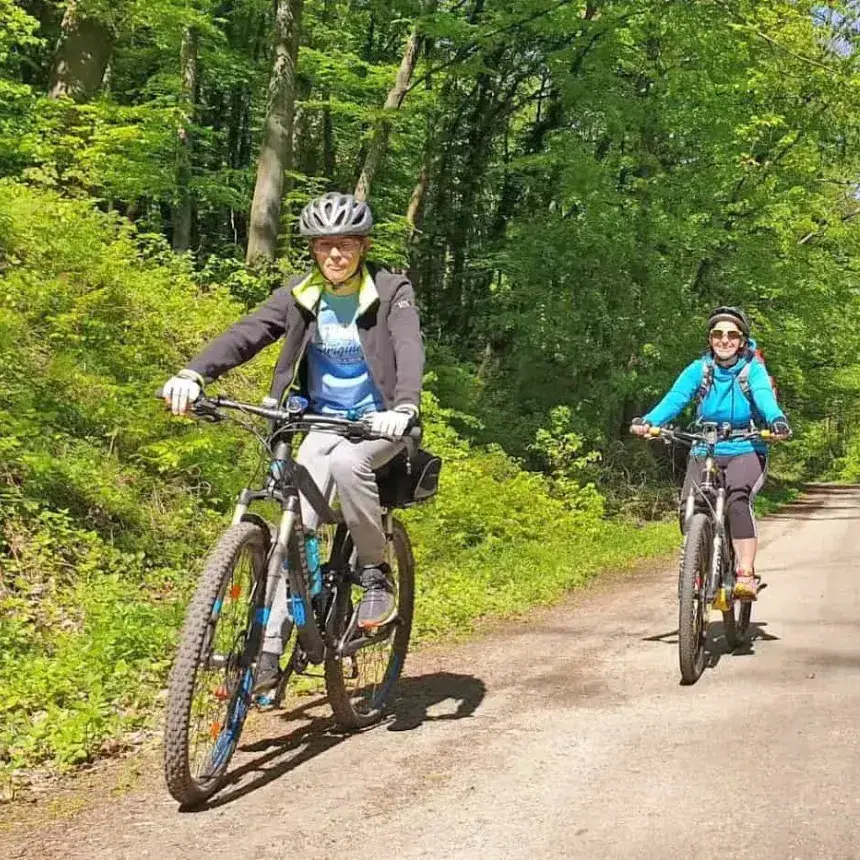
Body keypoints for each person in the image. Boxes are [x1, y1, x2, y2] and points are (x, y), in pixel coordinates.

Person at [162, 192, 424, 689]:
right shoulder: (301, 294)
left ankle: (374, 573)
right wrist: (193, 373)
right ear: (314, 250)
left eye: (345, 245)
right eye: (324, 246)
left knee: (350, 466)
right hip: (317, 421)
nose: (335, 256)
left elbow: (408, 346)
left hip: (378, 423)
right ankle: (269, 649)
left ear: (363, 247)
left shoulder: (391, 291)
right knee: (294, 523)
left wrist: (405, 406)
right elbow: (248, 332)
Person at [630, 306, 791, 601]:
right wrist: (650, 421)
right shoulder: (699, 370)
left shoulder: (751, 370)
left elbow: (764, 397)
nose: (724, 340)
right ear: (710, 338)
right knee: (690, 509)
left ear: (742, 341)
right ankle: (700, 559)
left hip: (746, 446)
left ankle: (744, 573)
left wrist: (777, 420)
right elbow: (676, 398)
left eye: (732, 335)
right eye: (718, 334)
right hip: (705, 446)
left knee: (737, 500)